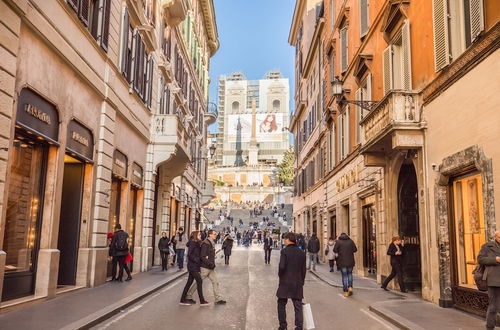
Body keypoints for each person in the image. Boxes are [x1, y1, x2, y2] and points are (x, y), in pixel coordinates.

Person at [185, 230, 226, 305]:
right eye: (214, 234)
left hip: (210, 267)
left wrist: (213, 258)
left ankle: (218, 299)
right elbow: (202, 256)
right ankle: (188, 296)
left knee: (215, 282)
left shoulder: (211, 243)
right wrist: (210, 263)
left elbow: (209, 255)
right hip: (205, 267)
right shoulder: (205, 244)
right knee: (198, 282)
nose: (215, 235)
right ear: (210, 235)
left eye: (216, 234)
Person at [276, 232, 306, 330]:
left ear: (289, 240)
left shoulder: (284, 251)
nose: (284, 241)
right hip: (297, 282)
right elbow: (303, 269)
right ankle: (299, 326)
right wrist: (302, 281)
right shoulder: (302, 253)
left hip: (285, 281)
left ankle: (283, 326)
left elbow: (282, 266)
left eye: (285, 239)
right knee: (298, 306)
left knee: (281, 304)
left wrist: (280, 276)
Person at [477, 230, 500, 330]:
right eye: (499, 237)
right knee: (493, 306)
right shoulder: (487, 246)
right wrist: (495, 260)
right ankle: (490, 327)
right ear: (495, 237)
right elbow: (480, 259)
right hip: (493, 280)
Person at [180, 231, 209, 306]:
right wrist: (197, 259)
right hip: (193, 266)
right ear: (196, 235)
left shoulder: (197, 243)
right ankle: (202, 301)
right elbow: (189, 254)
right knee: (199, 281)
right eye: (199, 234)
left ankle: (182, 299)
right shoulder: (193, 243)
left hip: (194, 266)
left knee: (189, 283)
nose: (200, 235)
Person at [333, 232, 357, 297]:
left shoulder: (338, 241)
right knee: (350, 274)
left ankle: (345, 291)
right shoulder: (351, 241)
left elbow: (334, 250)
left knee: (344, 276)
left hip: (342, 262)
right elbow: (355, 249)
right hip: (350, 261)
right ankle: (350, 287)